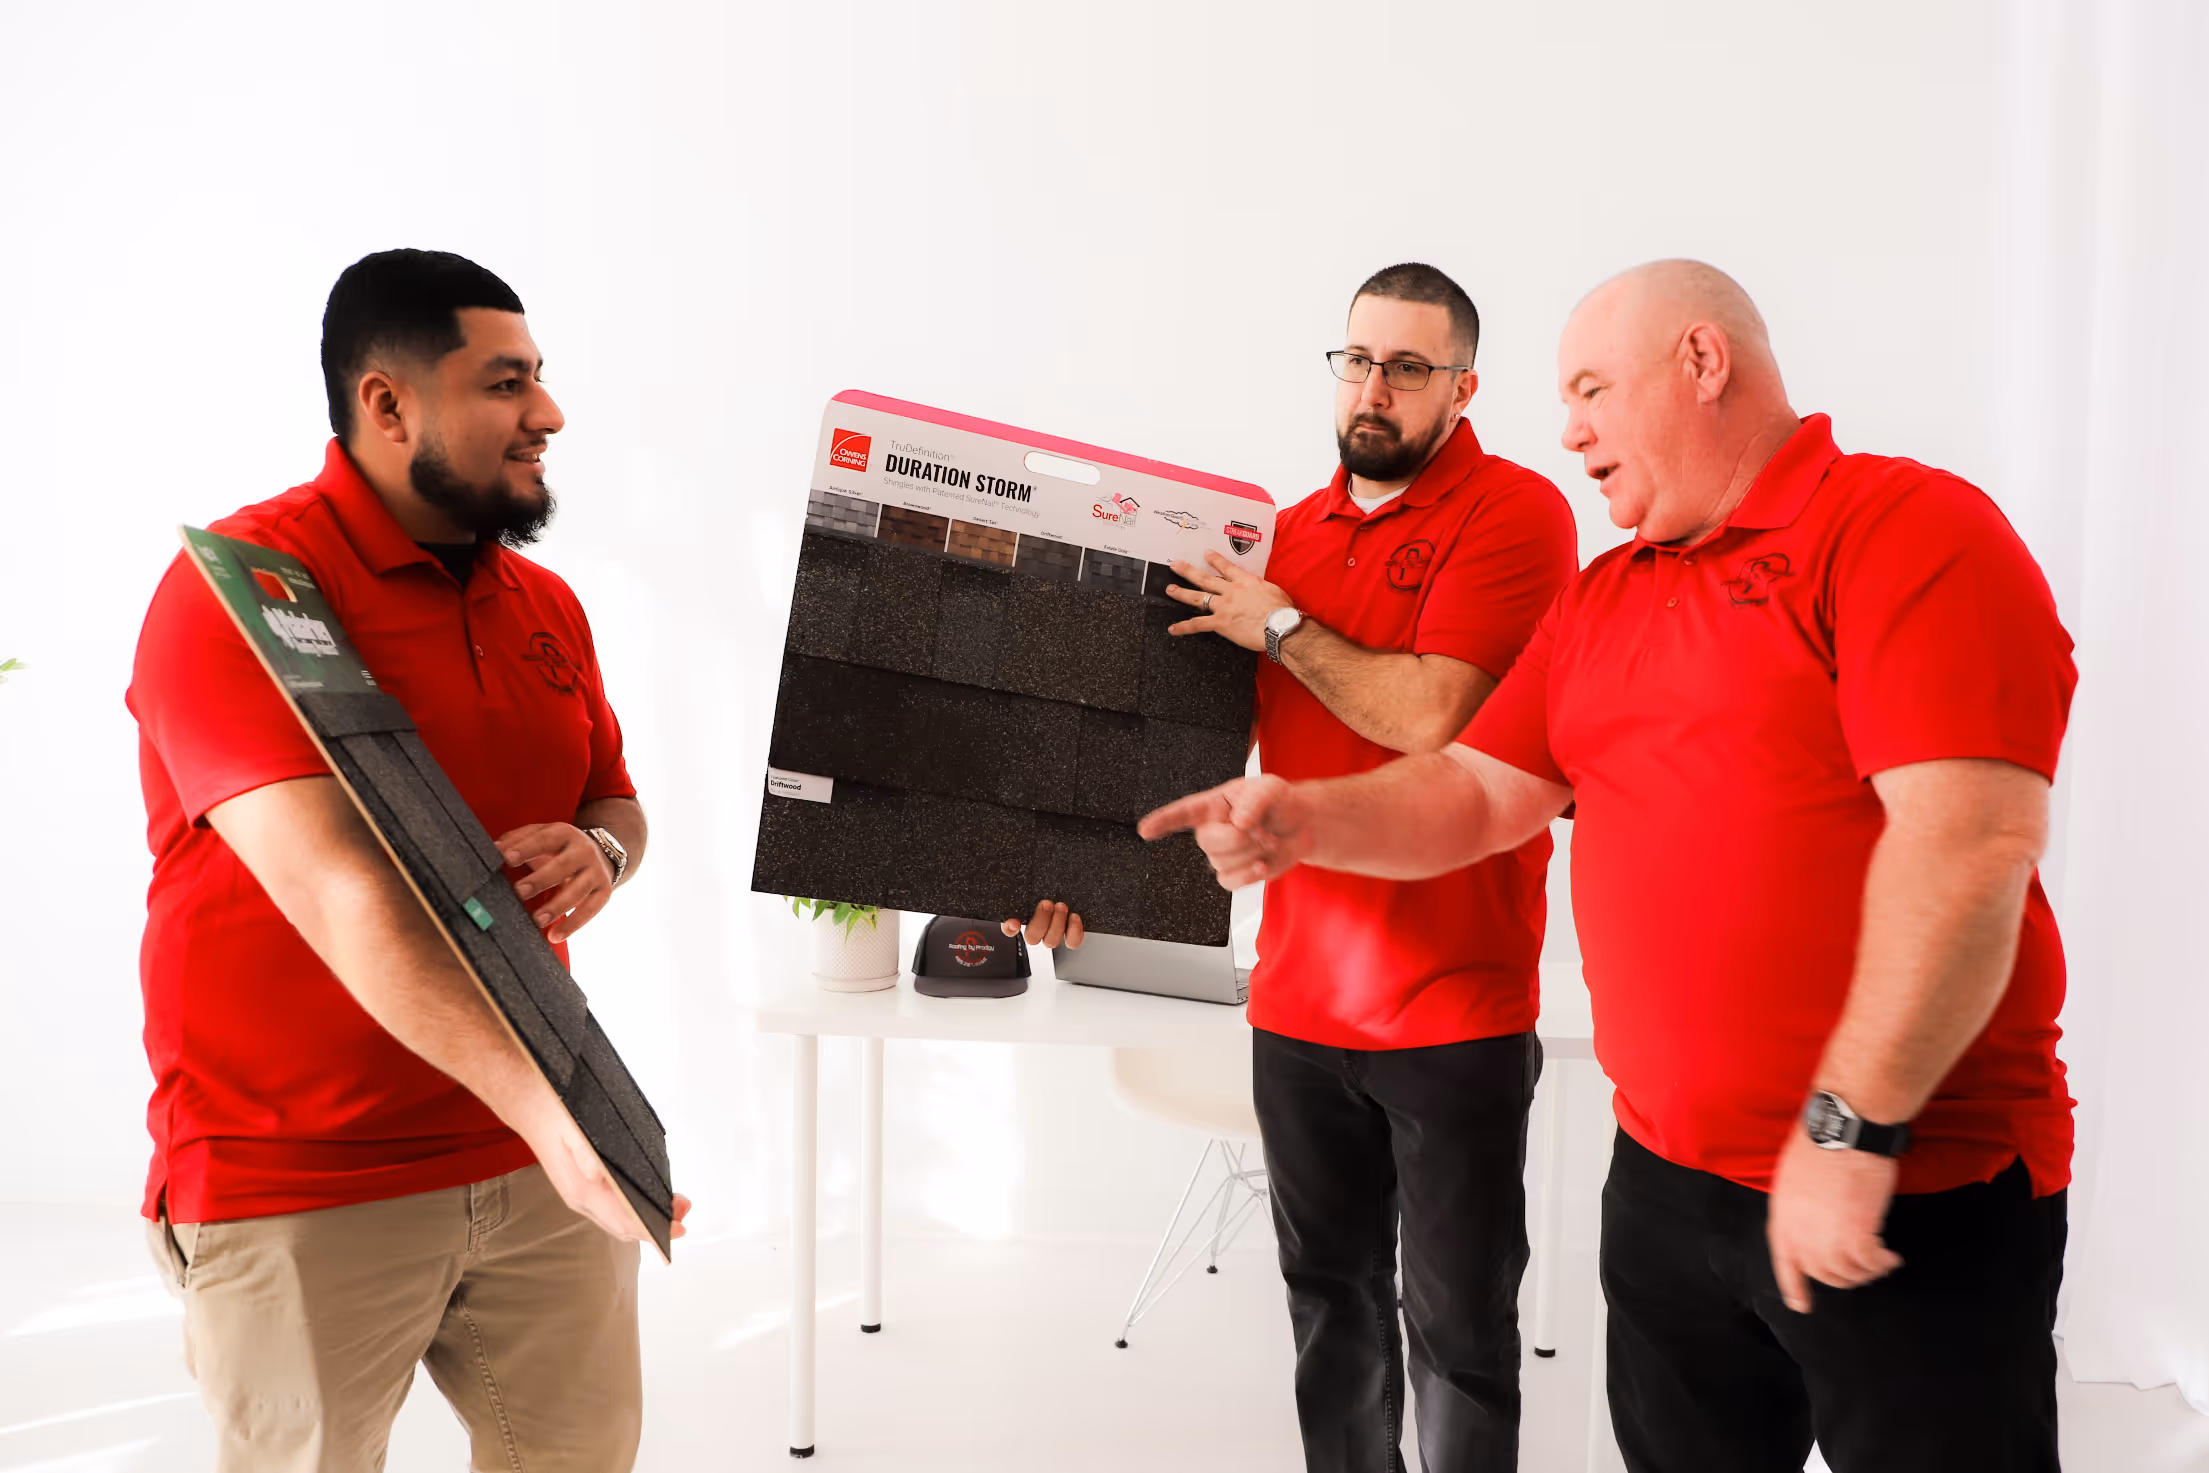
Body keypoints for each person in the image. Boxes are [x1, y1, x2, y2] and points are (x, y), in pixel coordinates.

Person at [1144, 259, 2076, 1473]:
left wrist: (1852, 1131)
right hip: (1665, 1188)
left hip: (1899, 1184)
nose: (1568, 427)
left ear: (1703, 362)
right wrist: (1303, 820)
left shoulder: (1903, 528)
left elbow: (1968, 842)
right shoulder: (1601, 599)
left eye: (1590, 387)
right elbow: (1477, 791)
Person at [127, 248, 688, 1473]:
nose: (546, 413)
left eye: (539, 378)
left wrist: (600, 850)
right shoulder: (239, 591)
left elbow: (617, 803)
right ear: (387, 405)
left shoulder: (545, 606)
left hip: (535, 1159)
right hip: (302, 1172)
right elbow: (343, 893)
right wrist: (559, 1122)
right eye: (504, 384)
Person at [1013, 262, 1577, 1472]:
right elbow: (1162, 743)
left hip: (1457, 1012)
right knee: (1332, 1315)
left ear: (1463, 390)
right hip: (1297, 1008)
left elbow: (1434, 716)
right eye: (1358, 359)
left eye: (1409, 367)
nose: (1375, 388)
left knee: (1461, 1331)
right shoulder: (1274, 541)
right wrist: (1065, 876)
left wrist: (1278, 625)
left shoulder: (1517, 515)